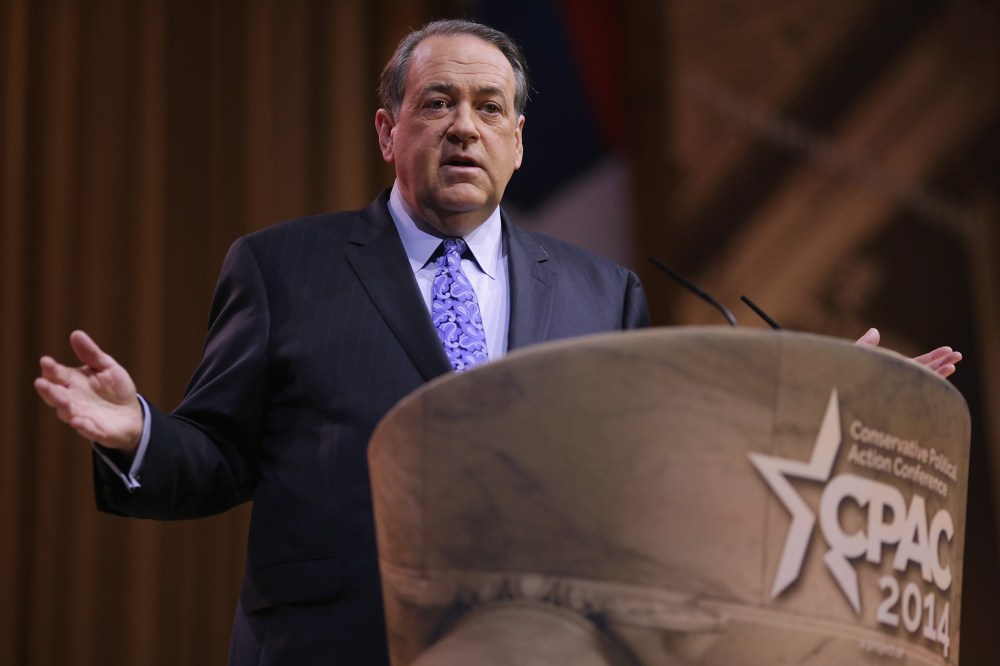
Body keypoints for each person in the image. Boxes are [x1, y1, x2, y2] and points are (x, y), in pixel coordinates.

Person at [33, 18, 962, 666]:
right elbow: (222, 454)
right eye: (439, 103)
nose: (465, 127)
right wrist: (143, 432)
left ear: (520, 139)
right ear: (388, 130)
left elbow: (657, 485)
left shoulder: (607, 292)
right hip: (337, 646)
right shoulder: (284, 268)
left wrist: (833, 411)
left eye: (489, 107)